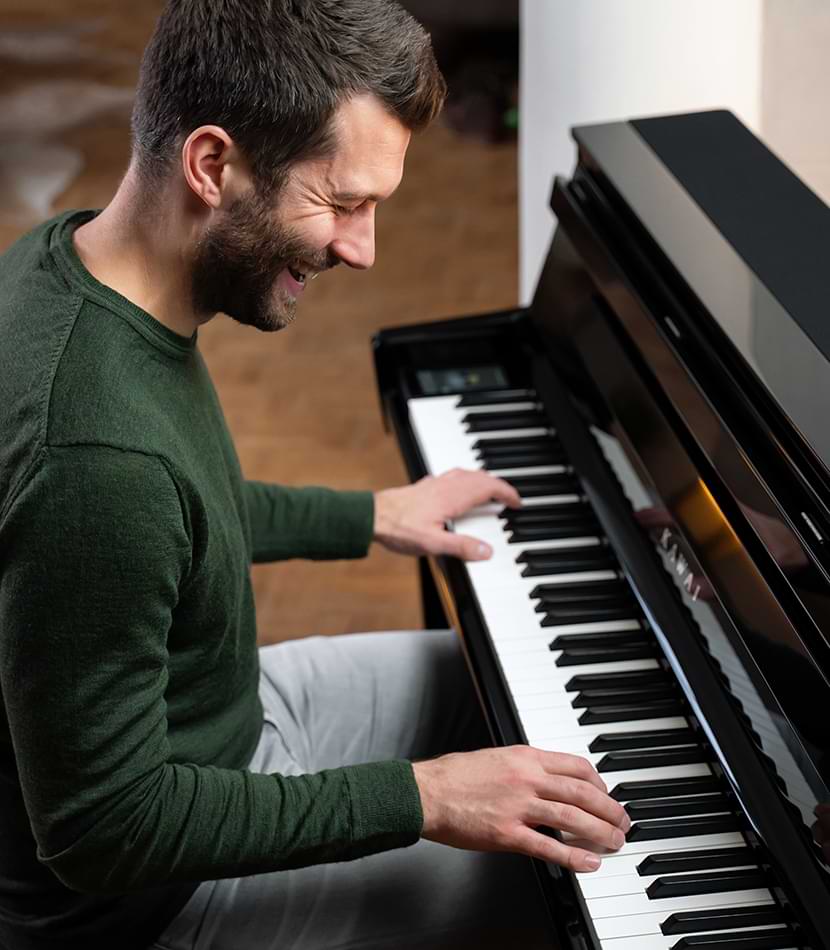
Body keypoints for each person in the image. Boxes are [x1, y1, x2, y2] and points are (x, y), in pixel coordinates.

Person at [0, 2, 630, 948]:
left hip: (224, 724)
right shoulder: (97, 460)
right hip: (152, 897)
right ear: (212, 165)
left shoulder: (64, 258)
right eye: (341, 203)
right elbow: (103, 828)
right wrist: (421, 796)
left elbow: (182, 514)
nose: (362, 248)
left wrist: (374, 514)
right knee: (562, 888)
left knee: (521, 686)